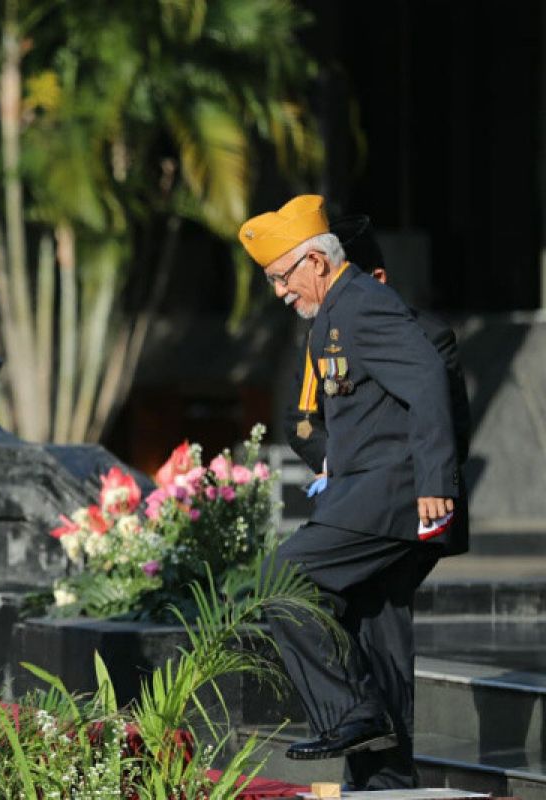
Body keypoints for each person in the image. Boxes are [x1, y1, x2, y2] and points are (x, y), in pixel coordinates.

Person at [238, 195, 462, 788]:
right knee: (376, 637)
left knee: (281, 579)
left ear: (314, 260)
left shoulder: (360, 303)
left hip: (390, 495)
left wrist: (436, 482)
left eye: (282, 277)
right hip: (368, 494)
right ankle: (384, 782)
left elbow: (427, 378)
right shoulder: (336, 314)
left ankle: (349, 713)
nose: (282, 293)